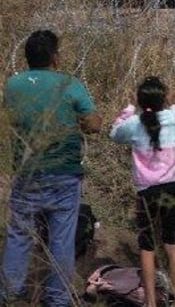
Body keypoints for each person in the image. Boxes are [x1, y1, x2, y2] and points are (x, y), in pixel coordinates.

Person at [0, 29, 102, 307]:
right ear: (55, 57)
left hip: (27, 172)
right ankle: (56, 298)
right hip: (63, 175)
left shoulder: (13, 85)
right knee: (61, 239)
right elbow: (94, 123)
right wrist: (78, 123)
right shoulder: (69, 84)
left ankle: (9, 294)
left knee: (19, 235)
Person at [110, 76, 175, 307]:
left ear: (140, 99)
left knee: (147, 246)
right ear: (164, 96)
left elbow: (114, 134)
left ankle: (151, 303)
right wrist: (174, 106)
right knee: (173, 245)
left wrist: (126, 110)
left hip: (147, 191)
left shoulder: (134, 123)